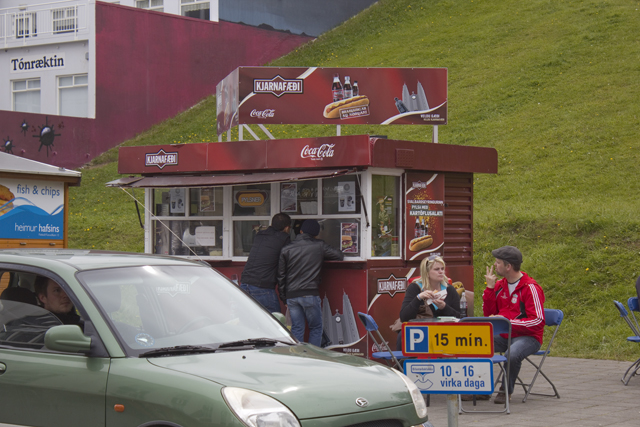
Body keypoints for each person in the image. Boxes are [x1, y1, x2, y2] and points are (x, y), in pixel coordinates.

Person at [477, 245, 545, 404]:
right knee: (475, 343)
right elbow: (489, 315)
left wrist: (506, 322)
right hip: (504, 335)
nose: (495, 265)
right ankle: (480, 389)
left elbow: (538, 321)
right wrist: (489, 289)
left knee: (512, 354)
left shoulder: (530, 288)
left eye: (498, 262)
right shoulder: (500, 286)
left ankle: (505, 390)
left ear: (508, 266)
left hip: (528, 337)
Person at [277, 219, 344, 346]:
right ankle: (314, 358)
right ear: (316, 234)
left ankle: (297, 359)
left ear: (301, 231)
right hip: (309, 294)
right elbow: (338, 255)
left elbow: (281, 276)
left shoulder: (286, 248)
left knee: (297, 328)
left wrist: (284, 298)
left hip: (291, 295)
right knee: (315, 328)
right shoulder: (319, 245)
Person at [395, 255, 461, 350]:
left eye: (442, 269)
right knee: (403, 335)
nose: (441, 272)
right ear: (427, 272)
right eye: (436, 269)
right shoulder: (415, 288)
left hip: (444, 335)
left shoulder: (449, 289)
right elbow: (404, 317)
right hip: (419, 333)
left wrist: (444, 307)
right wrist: (419, 298)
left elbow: (459, 317)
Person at [240, 213, 291, 313]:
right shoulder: (284, 239)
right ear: (286, 228)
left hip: (244, 283)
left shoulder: (260, 235)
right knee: (275, 322)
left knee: (249, 321)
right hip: (262, 287)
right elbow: (287, 264)